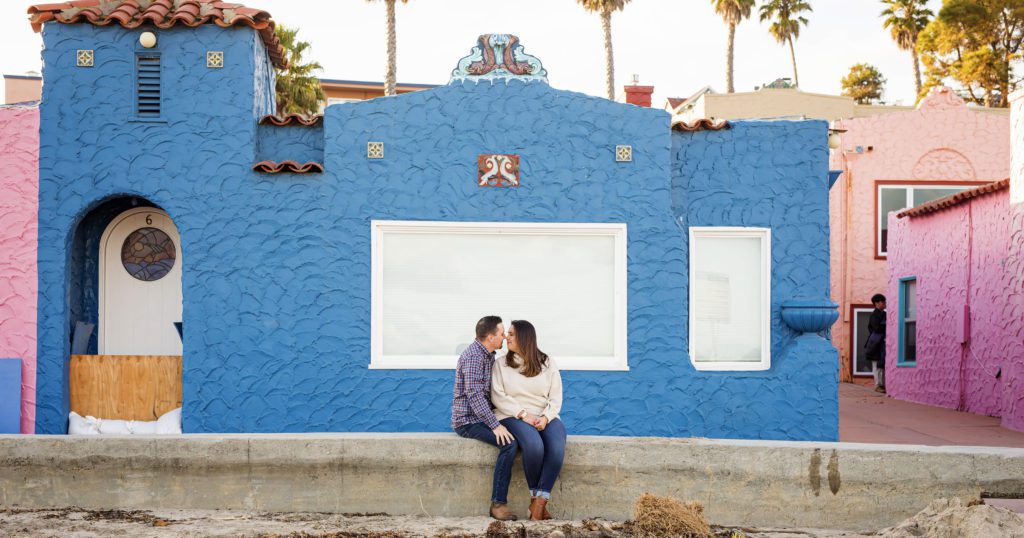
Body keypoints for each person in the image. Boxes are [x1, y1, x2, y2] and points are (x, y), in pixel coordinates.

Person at [491, 320, 565, 521]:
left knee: (557, 449)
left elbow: (555, 397)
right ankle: (537, 503)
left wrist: (546, 417)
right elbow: (497, 396)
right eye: (507, 334)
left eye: (512, 334)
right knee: (534, 445)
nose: (507, 337)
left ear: (525, 337)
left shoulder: (547, 362)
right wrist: (524, 414)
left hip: (544, 415)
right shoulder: (501, 364)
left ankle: (538, 502)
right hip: (512, 415)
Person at [452, 315, 519, 521]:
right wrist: (494, 425)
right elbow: (474, 395)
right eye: (501, 333)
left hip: (481, 417)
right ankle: (498, 504)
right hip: (468, 422)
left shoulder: (487, 355)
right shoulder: (474, 357)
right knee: (509, 444)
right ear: (490, 337)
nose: (504, 337)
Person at [865, 293, 887, 393]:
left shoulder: (884, 314)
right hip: (875, 344)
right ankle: (877, 385)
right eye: (883, 302)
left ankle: (881, 384)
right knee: (876, 364)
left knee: (881, 364)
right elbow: (877, 328)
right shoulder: (874, 315)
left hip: (880, 342)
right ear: (877, 303)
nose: (885, 304)